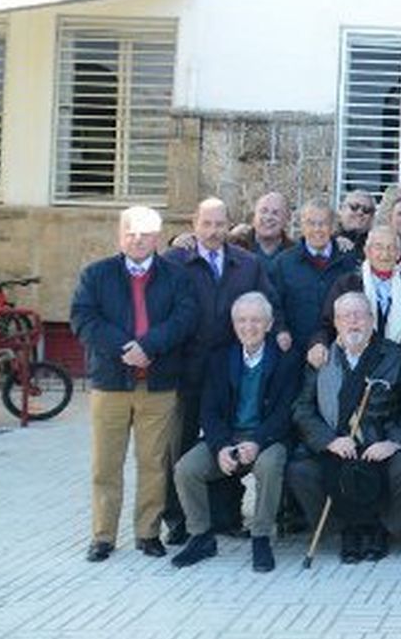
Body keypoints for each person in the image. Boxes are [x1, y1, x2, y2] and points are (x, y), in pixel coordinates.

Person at [72, 206, 198, 562]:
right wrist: (124, 348)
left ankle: (147, 533)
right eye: (131, 232)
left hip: (158, 385)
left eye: (145, 233)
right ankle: (103, 536)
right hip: (111, 383)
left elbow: (185, 318)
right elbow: (83, 318)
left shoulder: (176, 276)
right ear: (120, 235)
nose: (137, 239)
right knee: (105, 464)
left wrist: (149, 347)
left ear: (156, 237)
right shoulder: (96, 275)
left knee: (154, 463)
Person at [167, 197, 281, 544]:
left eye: (220, 224)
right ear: (194, 224)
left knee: (228, 437)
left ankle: (226, 516)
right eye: (207, 224)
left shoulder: (247, 264)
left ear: (229, 225)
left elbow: (270, 302)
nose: (213, 231)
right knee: (181, 447)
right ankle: (179, 520)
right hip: (186, 371)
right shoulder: (175, 261)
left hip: (229, 369)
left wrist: (282, 330)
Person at [288, 292, 401, 564]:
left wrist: (393, 442)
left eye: (360, 315)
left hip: (379, 441)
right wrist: (328, 440)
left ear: (372, 320)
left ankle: (382, 529)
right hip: (339, 442)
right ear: (336, 323)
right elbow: (302, 409)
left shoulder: (395, 356)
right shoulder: (322, 359)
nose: (353, 322)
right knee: (300, 471)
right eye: (346, 317)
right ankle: (344, 530)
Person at [170, 293, 297, 572]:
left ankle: (261, 537)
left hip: (268, 439)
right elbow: (209, 411)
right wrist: (220, 447)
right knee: (186, 469)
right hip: (228, 438)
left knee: (269, 465)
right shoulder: (219, 359)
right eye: (242, 320)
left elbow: (285, 412)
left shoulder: (286, 360)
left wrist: (258, 441)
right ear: (233, 324)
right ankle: (201, 536)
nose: (248, 327)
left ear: (269, 324)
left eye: (256, 320)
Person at [309, 226, 401, 390]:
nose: (385, 254)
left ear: (399, 254)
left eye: (391, 248)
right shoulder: (348, 283)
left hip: (395, 377)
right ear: (367, 251)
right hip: (351, 372)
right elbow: (326, 324)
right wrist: (319, 343)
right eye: (378, 247)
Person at [271, 200, 358, 360]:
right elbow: (273, 303)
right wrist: (280, 330)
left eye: (323, 223)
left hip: (338, 351)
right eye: (311, 223)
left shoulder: (349, 261)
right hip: (293, 350)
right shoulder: (283, 263)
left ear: (333, 227)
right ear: (302, 226)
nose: (317, 229)